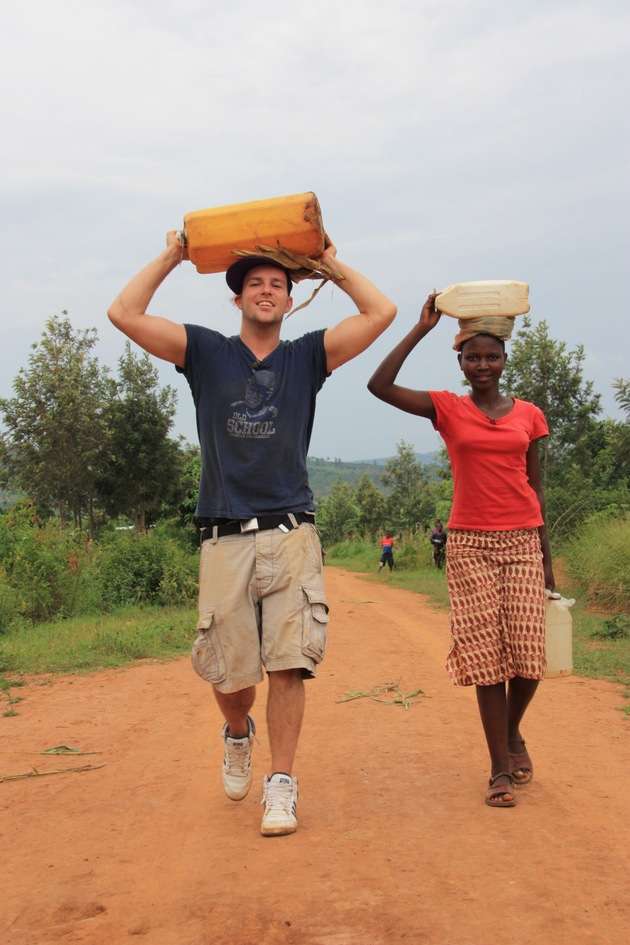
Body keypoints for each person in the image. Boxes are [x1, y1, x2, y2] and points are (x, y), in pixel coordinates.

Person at [108, 231, 396, 836]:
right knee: (231, 677)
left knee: (289, 663)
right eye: (256, 284)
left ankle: (281, 784)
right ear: (237, 298)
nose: (267, 292)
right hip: (225, 534)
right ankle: (238, 732)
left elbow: (380, 312)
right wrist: (174, 255)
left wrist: (326, 264)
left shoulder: (307, 357)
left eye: (278, 285)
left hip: (291, 530)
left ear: (291, 301)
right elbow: (124, 313)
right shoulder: (207, 352)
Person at [367, 292, 554, 809]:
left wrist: (547, 558)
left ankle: (512, 732)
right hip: (469, 543)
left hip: (522, 541)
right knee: (487, 661)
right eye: (473, 357)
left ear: (504, 360)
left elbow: (535, 489)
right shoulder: (447, 408)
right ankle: (498, 768)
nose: (483, 365)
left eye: (491, 356)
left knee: (530, 660)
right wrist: (420, 328)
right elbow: (378, 385)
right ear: (461, 363)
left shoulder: (530, 416)